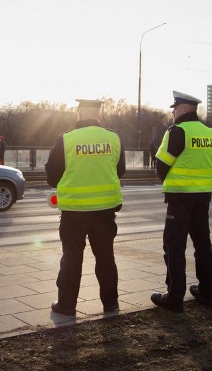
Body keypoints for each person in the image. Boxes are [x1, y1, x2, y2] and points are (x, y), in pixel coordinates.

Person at [45, 98, 126, 316]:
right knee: (106, 258)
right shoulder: (113, 138)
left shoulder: (66, 140)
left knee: (72, 257)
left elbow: (52, 177)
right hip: (105, 211)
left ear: (79, 114)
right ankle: (111, 304)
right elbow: (120, 170)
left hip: (74, 213)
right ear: (99, 116)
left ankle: (67, 305)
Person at [150, 91, 212, 313]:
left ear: (186, 108)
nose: (173, 111)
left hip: (180, 198)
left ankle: (174, 296)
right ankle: (207, 292)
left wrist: (155, 156)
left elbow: (162, 168)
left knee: (174, 245)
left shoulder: (177, 132)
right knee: (202, 244)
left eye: (175, 107)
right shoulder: (210, 133)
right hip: (203, 197)